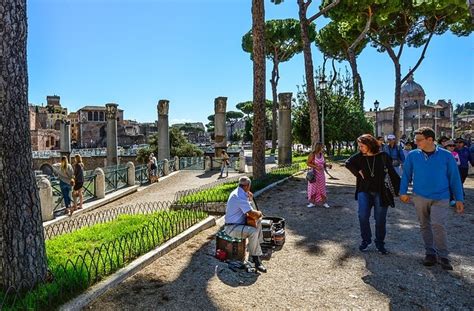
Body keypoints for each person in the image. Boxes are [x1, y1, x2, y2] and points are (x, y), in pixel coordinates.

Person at [400, 127, 464, 270]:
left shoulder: (447, 156)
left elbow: (454, 178)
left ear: (430, 139)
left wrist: (459, 198)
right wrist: (402, 192)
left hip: (441, 197)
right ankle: (430, 253)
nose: (416, 143)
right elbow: (406, 175)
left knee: (438, 224)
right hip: (419, 196)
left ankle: (443, 256)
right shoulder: (412, 155)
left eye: (419, 140)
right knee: (424, 225)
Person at [345, 134, 400, 255]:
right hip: (364, 191)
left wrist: (400, 191)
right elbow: (348, 163)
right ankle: (366, 240)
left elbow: (392, 174)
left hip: (381, 192)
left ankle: (380, 243)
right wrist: (357, 171)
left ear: (370, 145)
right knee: (362, 216)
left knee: (380, 220)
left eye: (362, 146)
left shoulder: (383, 156)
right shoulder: (359, 157)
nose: (360, 148)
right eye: (359, 146)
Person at [224, 176, 266, 273]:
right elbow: (251, 213)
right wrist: (260, 213)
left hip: (238, 224)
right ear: (247, 186)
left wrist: (250, 199)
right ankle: (256, 260)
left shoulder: (239, 192)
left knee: (258, 221)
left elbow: (250, 212)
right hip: (232, 228)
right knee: (253, 231)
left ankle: (257, 247)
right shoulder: (239, 196)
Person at [306, 142, 331, 208]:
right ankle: (312, 202)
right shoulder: (312, 154)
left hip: (321, 175)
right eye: (322, 147)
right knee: (313, 188)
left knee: (322, 188)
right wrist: (315, 166)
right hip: (314, 174)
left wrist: (328, 165)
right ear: (319, 147)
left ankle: (324, 202)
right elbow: (308, 163)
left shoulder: (321, 154)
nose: (323, 148)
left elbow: (323, 164)